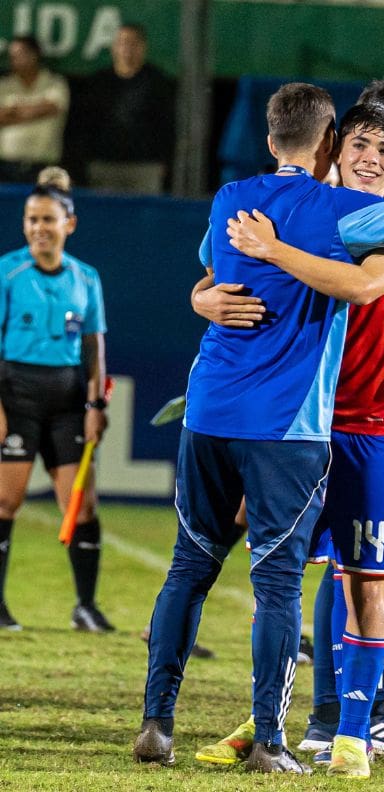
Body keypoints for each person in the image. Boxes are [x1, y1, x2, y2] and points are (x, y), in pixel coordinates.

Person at [133, 82, 384, 774]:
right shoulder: (342, 211)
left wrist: (273, 249)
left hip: (368, 423)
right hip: (296, 428)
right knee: (287, 583)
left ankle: (351, 732)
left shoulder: (381, 217)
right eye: (362, 144)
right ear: (331, 148)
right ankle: (279, 726)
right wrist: (205, 297)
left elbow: (365, 286)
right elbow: (213, 272)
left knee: (366, 580)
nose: (375, 156)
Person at [0, 167, 111, 633]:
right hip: (17, 396)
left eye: (47, 220)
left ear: (69, 223)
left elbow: (93, 348)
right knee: (6, 502)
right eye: (31, 220)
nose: (38, 229)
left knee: (81, 507)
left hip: (67, 402)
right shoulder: (8, 271)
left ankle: (85, 606)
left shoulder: (86, 278)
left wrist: (95, 407)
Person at [81, 23, 175, 193]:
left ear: (143, 47)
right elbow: (86, 123)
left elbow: (167, 125)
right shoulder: (99, 81)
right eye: (122, 42)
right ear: (113, 47)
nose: (127, 48)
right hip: (104, 165)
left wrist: (164, 161)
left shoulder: (157, 82)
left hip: (145, 167)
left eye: (133, 43)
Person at [0, 37, 69, 183]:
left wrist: (12, 111)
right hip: (6, 166)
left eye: (20, 54)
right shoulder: (4, 86)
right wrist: (36, 109)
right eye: (12, 56)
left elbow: (51, 108)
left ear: (35, 55)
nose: (15, 60)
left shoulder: (55, 83)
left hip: (44, 167)